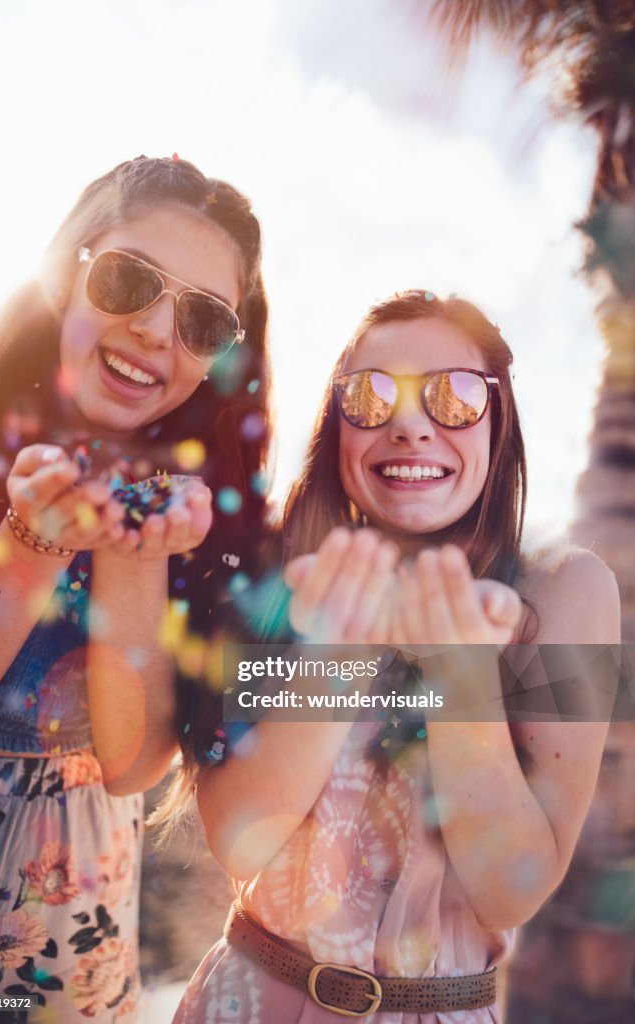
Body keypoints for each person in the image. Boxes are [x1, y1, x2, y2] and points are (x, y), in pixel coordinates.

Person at [169, 290, 620, 1023]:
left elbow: (511, 888)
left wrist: (460, 670)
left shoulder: (566, 594)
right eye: (372, 397)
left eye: (454, 395)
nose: (410, 425)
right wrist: (343, 643)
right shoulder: (276, 573)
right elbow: (240, 841)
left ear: (498, 422)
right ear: (336, 422)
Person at [0, 155, 271, 1022]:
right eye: (129, 280)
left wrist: (137, 553)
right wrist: (33, 545)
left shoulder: (207, 512)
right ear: (68, 272)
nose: (156, 333)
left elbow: (131, 768)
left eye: (203, 320)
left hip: (64, 958)